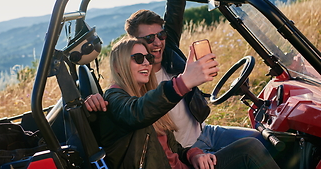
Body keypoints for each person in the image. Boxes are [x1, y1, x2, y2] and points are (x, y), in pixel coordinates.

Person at [85, 0, 270, 154]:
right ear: (135, 44)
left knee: (263, 140)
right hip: (186, 151)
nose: (158, 42)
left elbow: (176, 3)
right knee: (251, 152)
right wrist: (93, 100)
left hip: (206, 131)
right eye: (149, 38)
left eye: (161, 35)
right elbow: (126, 106)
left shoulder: (168, 47)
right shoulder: (134, 80)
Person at [90, 38, 279, 169]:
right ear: (118, 65)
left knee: (251, 144)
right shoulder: (113, 99)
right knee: (249, 150)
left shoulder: (143, 97)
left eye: (148, 58)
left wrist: (194, 155)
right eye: (138, 58)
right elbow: (136, 113)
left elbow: (174, 149)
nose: (146, 63)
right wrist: (183, 82)